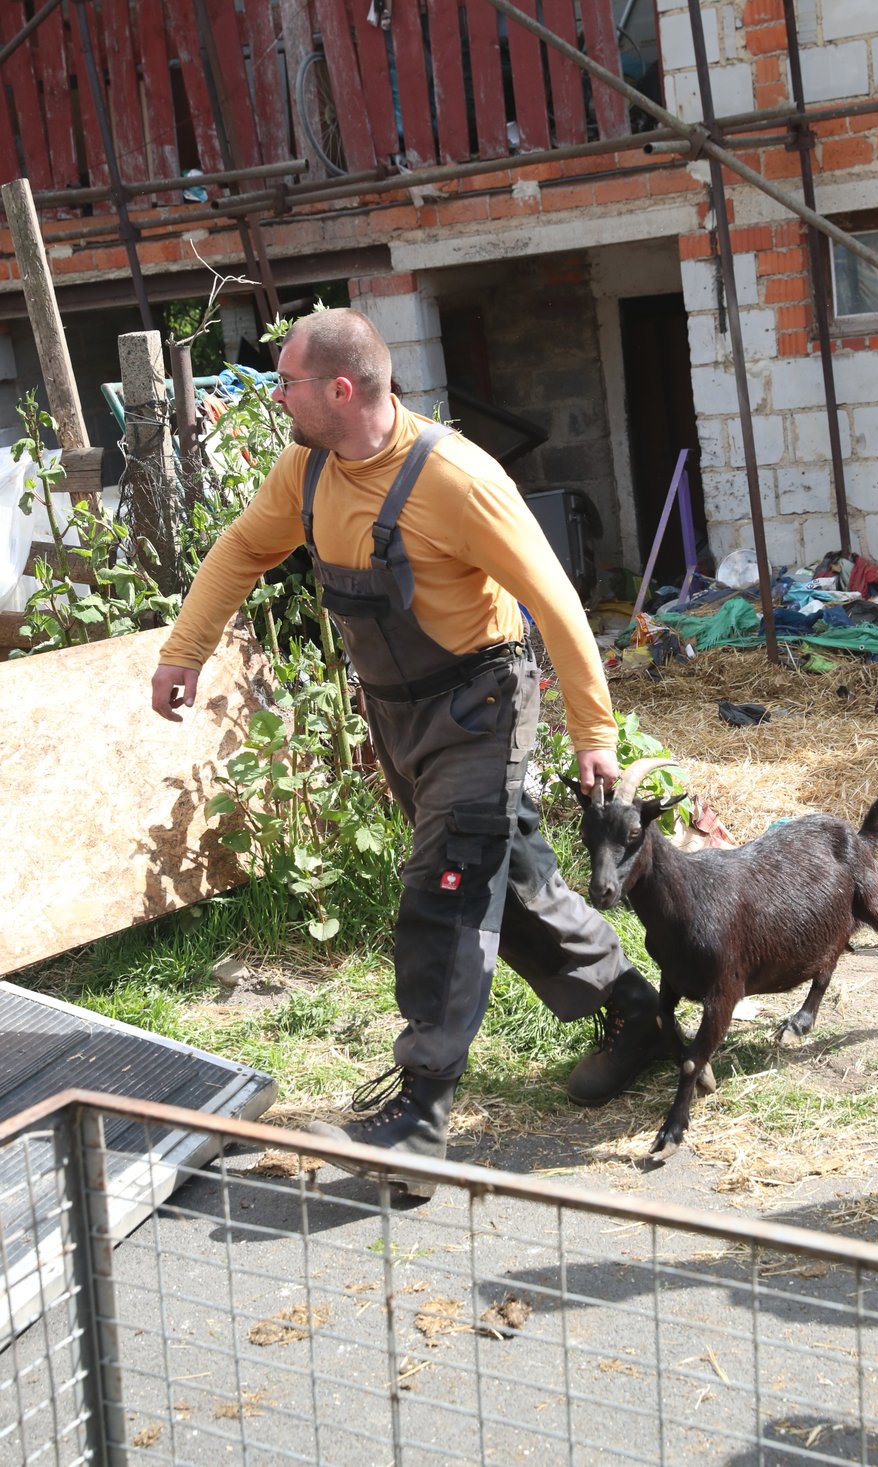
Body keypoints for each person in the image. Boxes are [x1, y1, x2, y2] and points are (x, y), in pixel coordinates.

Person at [151, 307, 669, 1192]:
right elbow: (243, 548)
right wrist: (183, 650)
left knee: (446, 894)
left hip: (482, 708)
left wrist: (594, 731)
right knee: (516, 884)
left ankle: (419, 1116)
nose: (276, 395)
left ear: (340, 390)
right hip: (398, 715)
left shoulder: (457, 480)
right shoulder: (306, 469)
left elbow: (554, 599)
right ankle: (637, 1012)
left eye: (286, 382)